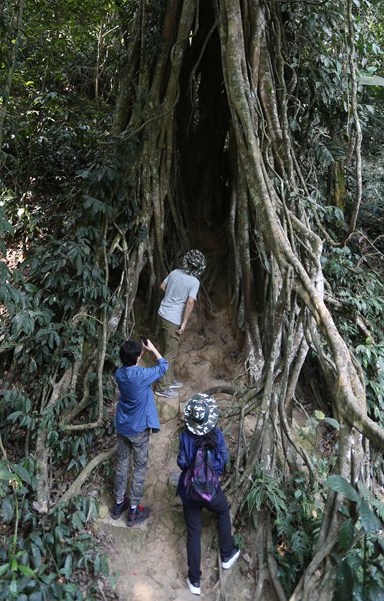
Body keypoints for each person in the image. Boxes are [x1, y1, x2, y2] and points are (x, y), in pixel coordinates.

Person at [176, 393, 240, 595]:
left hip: (190, 491)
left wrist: (194, 469)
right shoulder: (217, 434)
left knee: (193, 532)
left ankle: (194, 581)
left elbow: (182, 463)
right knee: (222, 510)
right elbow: (223, 460)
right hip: (211, 490)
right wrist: (212, 474)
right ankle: (227, 555)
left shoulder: (185, 436)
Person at [111, 337, 168, 526]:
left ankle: (119, 504)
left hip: (123, 426)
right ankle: (134, 510)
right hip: (139, 429)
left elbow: (131, 363)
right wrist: (151, 349)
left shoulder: (119, 373)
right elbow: (163, 366)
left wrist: (139, 353)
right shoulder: (142, 375)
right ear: (137, 357)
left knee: (122, 463)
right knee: (139, 468)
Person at [154, 249, 206, 398]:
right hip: (173, 319)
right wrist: (183, 324)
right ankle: (162, 388)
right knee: (170, 353)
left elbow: (162, 287)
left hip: (162, 313)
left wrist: (172, 296)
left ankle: (168, 380)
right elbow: (190, 302)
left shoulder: (175, 272)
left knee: (165, 349)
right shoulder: (194, 282)